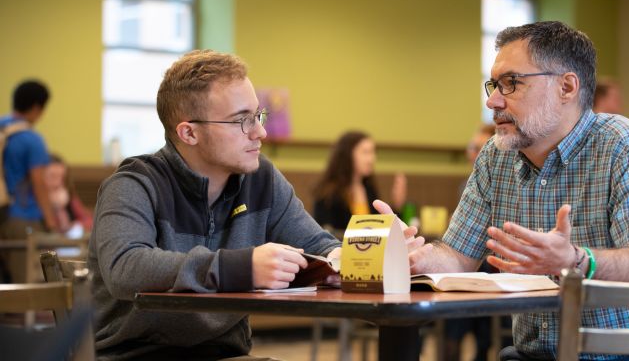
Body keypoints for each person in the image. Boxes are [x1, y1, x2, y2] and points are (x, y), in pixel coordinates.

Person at [406, 21, 629, 361]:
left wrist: (575, 260)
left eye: (512, 83)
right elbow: (457, 256)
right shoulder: (495, 157)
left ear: (567, 87)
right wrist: (413, 259)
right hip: (534, 354)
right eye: (494, 85)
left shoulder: (625, 145)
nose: (493, 101)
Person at [88, 50, 346, 361]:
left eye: (257, 115)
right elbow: (125, 268)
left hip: (225, 355)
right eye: (242, 120)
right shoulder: (133, 184)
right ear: (189, 132)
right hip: (134, 355)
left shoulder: (261, 179)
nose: (260, 132)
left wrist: (371, 256)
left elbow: (318, 245)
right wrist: (240, 267)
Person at [445, 123, 502, 361]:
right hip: (480, 267)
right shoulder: (468, 185)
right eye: (472, 147)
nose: (472, 153)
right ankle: (458, 347)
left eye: (478, 147)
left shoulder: (500, 179)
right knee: (466, 279)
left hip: (499, 268)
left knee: (479, 275)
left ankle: (470, 347)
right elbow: (463, 241)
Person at [0, 80, 58, 283]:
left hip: (2, 213)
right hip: (22, 217)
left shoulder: (2, 127)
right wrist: (50, 221)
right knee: (24, 283)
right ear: (36, 107)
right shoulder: (32, 140)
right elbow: (38, 183)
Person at [312, 130, 406, 238]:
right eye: (366, 152)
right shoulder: (328, 192)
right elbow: (324, 233)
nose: (372, 159)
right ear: (347, 155)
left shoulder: (369, 188)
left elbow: (381, 230)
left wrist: (396, 205)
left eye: (373, 152)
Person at [45, 154, 93, 235]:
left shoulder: (69, 196)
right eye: (52, 177)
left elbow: (89, 220)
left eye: (62, 178)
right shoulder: (37, 201)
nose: (58, 183)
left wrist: (76, 225)